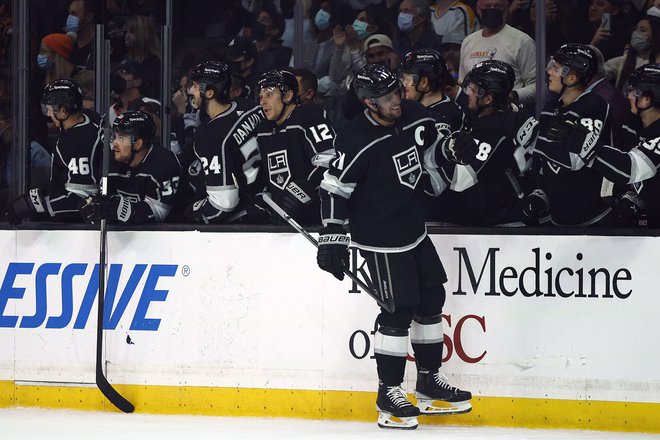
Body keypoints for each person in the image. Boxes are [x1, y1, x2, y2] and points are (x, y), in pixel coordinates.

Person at [316, 63, 471, 430]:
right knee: (399, 311)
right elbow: (335, 187)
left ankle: (429, 383)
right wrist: (333, 235)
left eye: (397, 92)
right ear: (369, 102)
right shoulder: (355, 138)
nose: (396, 100)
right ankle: (389, 393)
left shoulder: (416, 115)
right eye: (387, 97)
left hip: (414, 227)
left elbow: (433, 151)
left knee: (432, 299)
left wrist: (451, 148)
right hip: (382, 237)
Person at [431, 60, 538, 226]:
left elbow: (460, 181)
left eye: (473, 90)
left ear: (487, 99)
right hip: (493, 219)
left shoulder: (494, 129)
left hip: (504, 225)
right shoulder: (498, 118)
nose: (467, 93)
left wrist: (432, 155)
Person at [532, 43, 617, 226]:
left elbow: (575, 160)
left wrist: (540, 143)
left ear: (571, 78)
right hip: (557, 217)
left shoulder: (594, 105)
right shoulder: (550, 108)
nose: (549, 72)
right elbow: (540, 160)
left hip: (593, 217)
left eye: (555, 68)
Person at [5, 79, 102, 224]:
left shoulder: (77, 142)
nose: (49, 114)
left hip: (79, 231)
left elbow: (83, 200)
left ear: (63, 111)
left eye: (50, 109)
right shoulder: (89, 118)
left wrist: (37, 205)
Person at [183, 61, 264, 224]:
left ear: (210, 93)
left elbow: (223, 204)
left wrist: (193, 212)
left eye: (195, 85)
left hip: (246, 219)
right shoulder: (250, 107)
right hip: (268, 198)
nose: (191, 90)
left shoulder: (210, 136)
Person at [255, 69, 336, 225]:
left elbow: (331, 163)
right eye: (261, 96)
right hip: (284, 223)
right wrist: (262, 199)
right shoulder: (264, 130)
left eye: (269, 94)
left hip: (317, 220)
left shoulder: (308, 114)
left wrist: (300, 193)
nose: (262, 101)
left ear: (288, 95)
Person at [80, 111, 181, 224]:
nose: (115, 143)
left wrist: (123, 210)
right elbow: (106, 201)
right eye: (115, 136)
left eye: (122, 138)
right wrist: (95, 207)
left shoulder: (163, 163)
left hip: (173, 237)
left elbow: (159, 213)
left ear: (138, 143)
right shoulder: (110, 161)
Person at [589, 63, 660, 226]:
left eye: (633, 91)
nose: (628, 96)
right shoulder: (632, 126)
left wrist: (590, 148)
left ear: (647, 99)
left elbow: (628, 168)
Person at [459, 0, 536, 107]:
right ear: (478, 8)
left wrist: (511, 96)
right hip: (473, 117)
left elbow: (537, 86)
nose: (492, 10)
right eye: (487, 6)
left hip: (509, 114)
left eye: (497, 6)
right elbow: (463, 83)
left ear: (506, 8)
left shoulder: (522, 41)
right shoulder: (468, 42)